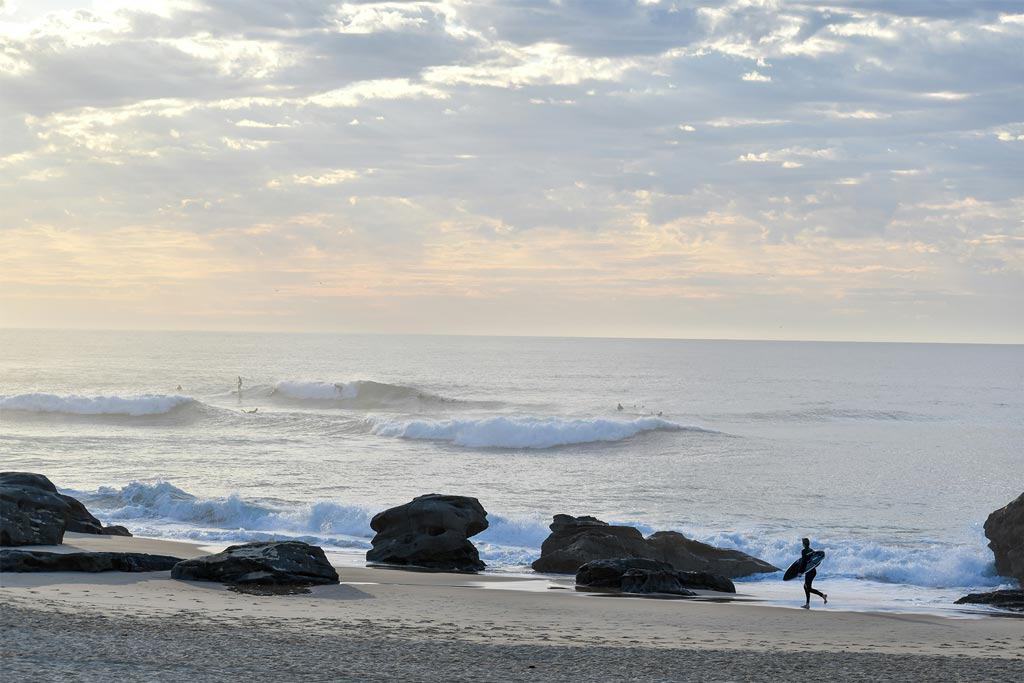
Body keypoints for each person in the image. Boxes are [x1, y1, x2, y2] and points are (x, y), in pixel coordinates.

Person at [800, 537, 827, 608]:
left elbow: (803, 563)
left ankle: (822, 595)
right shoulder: (812, 551)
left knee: (807, 588)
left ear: (803, 544)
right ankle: (808, 604)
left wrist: (800, 572)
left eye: (802, 543)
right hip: (813, 571)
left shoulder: (803, 551)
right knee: (806, 587)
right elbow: (817, 561)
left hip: (809, 572)